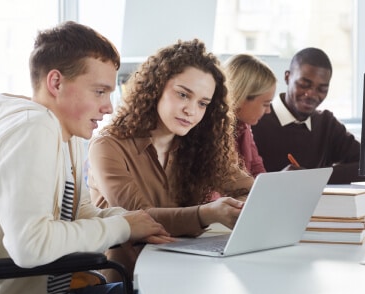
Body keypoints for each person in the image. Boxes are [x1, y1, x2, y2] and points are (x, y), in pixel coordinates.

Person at [0, 21, 172, 294]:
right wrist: (123, 228)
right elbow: (31, 246)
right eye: (99, 91)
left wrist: (137, 222)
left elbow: (81, 212)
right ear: (56, 82)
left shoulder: (65, 133)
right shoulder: (32, 128)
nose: (108, 106)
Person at [87, 39, 254, 280]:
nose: (191, 110)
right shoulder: (108, 145)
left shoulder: (201, 145)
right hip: (127, 286)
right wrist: (208, 213)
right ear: (156, 88)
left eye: (202, 103)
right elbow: (140, 218)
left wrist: (240, 207)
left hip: (187, 272)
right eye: (183, 95)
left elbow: (249, 191)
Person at [251, 47, 365, 184]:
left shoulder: (326, 124)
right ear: (287, 77)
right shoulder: (255, 120)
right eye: (303, 84)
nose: (311, 94)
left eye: (322, 89)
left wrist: (311, 177)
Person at [223, 54, 276, 177]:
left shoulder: (244, 126)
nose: (268, 111)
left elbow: (257, 169)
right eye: (265, 104)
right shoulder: (210, 131)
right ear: (241, 97)